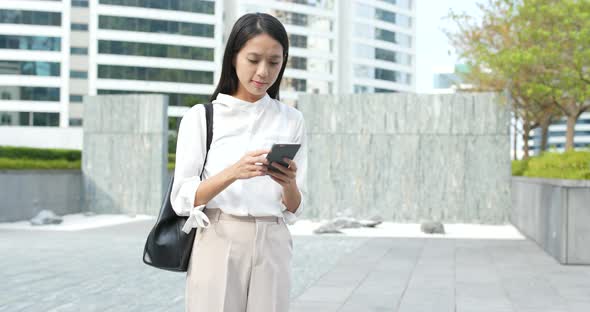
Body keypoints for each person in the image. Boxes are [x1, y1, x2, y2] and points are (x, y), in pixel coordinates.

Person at [170, 12, 307, 312]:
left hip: (273, 240)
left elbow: (295, 207)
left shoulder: (291, 120)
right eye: (253, 59)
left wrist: (289, 183)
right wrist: (233, 172)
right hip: (219, 237)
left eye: (274, 62)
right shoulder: (202, 117)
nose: (263, 71)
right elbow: (182, 200)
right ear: (233, 57)